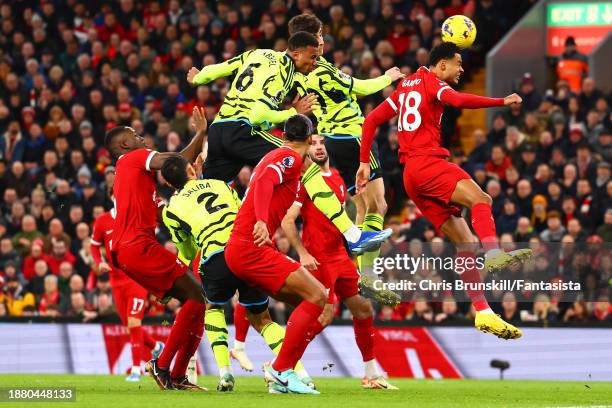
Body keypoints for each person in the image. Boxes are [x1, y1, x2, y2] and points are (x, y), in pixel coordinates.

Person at [357, 42, 532, 340]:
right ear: (441, 65)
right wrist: (502, 102)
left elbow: (371, 120)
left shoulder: (405, 87)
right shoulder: (432, 83)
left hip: (411, 177)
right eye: (458, 63)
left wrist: (363, 163)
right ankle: (492, 253)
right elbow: (459, 101)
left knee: (465, 240)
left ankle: (484, 313)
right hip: (427, 163)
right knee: (482, 198)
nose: (462, 69)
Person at [226, 115, 388, 394]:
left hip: (250, 248)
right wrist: (262, 220)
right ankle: (280, 369)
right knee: (318, 298)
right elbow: (265, 181)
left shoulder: (289, 160)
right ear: (310, 139)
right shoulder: (288, 158)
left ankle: (283, 371)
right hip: (252, 246)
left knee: (313, 303)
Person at [187, 31, 384, 257]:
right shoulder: (280, 72)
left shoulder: (256, 54)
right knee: (306, 164)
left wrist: (199, 77)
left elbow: (217, 69)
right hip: (243, 130)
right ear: (295, 53)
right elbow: (257, 115)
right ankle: (353, 236)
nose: (314, 63)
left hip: (219, 130)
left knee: (210, 192)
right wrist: (293, 112)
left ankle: (192, 259)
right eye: (311, 58)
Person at [160, 155, 314, 392]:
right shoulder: (221, 185)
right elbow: (243, 213)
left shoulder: (171, 210)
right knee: (262, 319)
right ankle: (301, 373)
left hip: (213, 256)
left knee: (213, 308)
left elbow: (188, 250)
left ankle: (225, 373)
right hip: (245, 249)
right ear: (192, 169)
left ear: (169, 185)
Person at [288, 14, 405, 273]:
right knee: (379, 204)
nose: (322, 39)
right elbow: (361, 87)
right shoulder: (323, 69)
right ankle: (368, 273)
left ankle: (362, 272)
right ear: (312, 39)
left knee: (362, 206)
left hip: (329, 141)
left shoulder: (296, 70)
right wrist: (388, 77)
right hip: (353, 138)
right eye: (319, 34)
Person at [282, 134, 398, 390]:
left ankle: (371, 373)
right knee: (324, 316)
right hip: (319, 260)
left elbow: (343, 222)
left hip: (340, 257)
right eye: (312, 144)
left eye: (322, 142)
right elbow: (288, 220)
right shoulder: (305, 182)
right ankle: (283, 367)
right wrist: (302, 253)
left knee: (363, 309)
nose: (319, 147)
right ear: (306, 150)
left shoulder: (337, 177)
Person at [104, 107, 207, 390]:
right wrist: (200, 133)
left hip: (130, 250)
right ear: (125, 144)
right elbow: (173, 162)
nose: (142, 139)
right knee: (199, 297)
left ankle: (176, 375)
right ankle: (163, 368)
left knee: (197, 301)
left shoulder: (136, 181)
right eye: (135, 135)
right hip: (137, 246)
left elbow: (166, 213)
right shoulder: (133, 158)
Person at [90, 207, 164, 382]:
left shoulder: (136, 216)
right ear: (113, 196)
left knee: (133, 322)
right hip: (115, 281)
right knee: (128, 324)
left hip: (135, 278)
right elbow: (94, 246)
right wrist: (99, 262)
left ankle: (137, 370)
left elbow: (152, 235)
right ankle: (156, 346)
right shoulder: (102, 221)